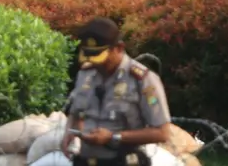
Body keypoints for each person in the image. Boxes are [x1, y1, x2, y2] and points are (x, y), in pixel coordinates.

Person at [61, 17, 171, 166]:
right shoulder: (85, 74)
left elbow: (162, 132)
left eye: (100, 57)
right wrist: (70, 132)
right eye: (90, 56)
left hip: (122, 161)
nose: (95, 63)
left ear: (118, 48)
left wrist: (113, 136)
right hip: (85, 161)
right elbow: (77, 114)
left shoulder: (142, 79)